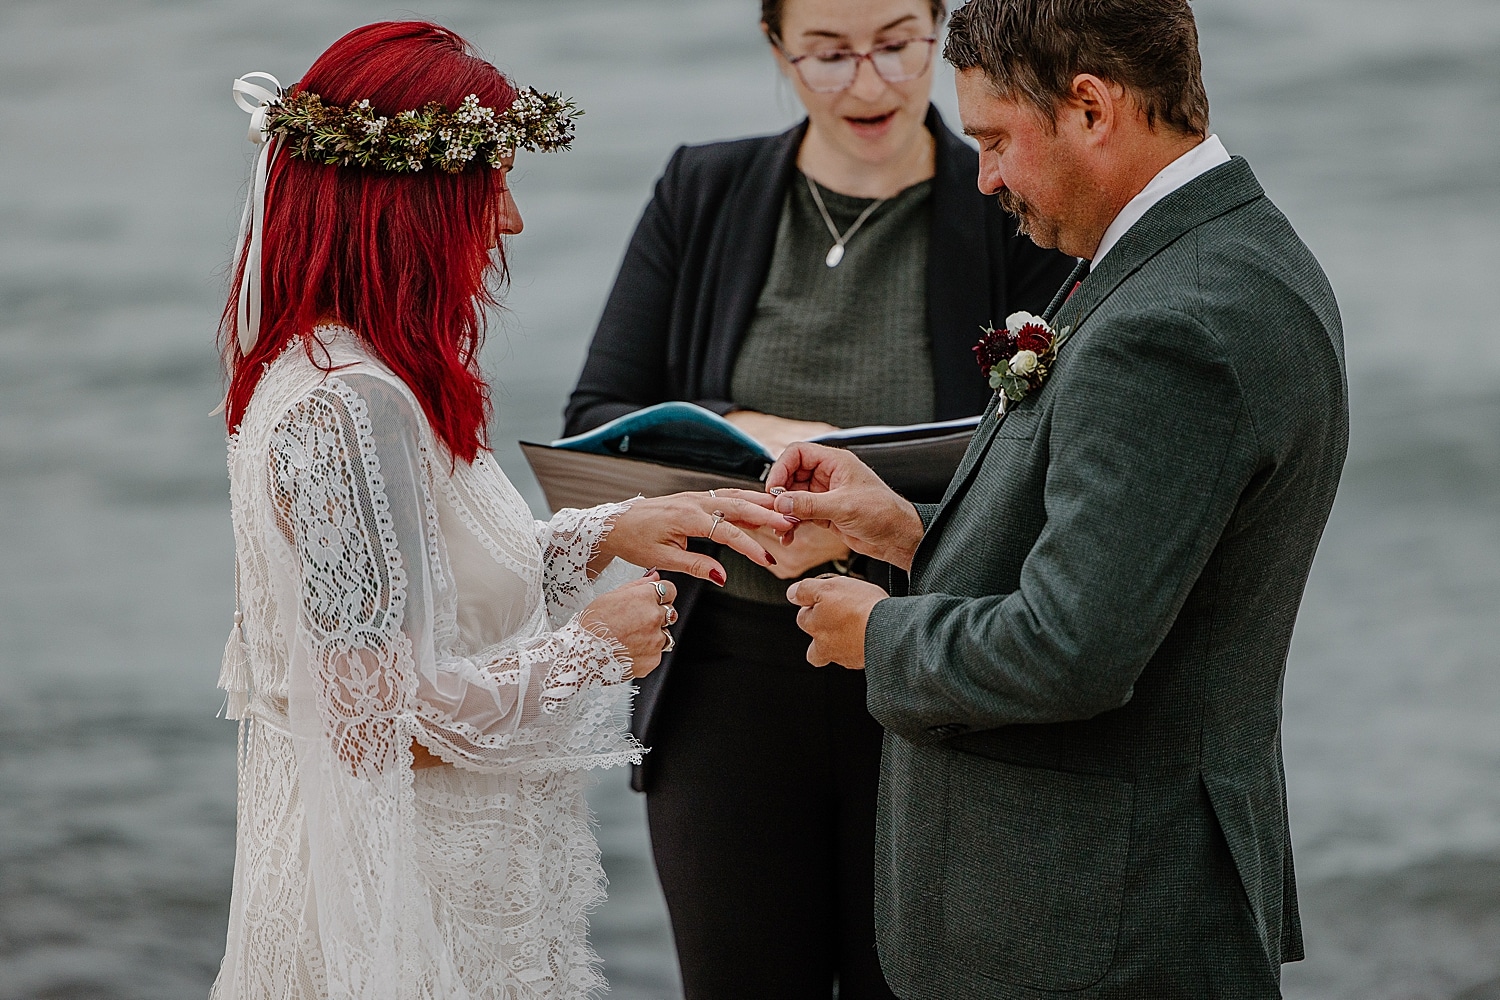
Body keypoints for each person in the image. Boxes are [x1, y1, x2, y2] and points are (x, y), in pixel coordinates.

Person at [756, 0, 1349, 996]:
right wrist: (908, 532)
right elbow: (1126, 566)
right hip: (1119, 904)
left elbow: (1072, 649)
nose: (982, 174)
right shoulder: (1212, 253)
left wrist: (883, 632)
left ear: (1090, 106)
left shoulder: (1174, 323)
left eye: (994, 139)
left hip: (1092, 933)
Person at [209, 22, 789, 1000]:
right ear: (416, 208)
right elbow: (374, 728)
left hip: (430, 883)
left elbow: (425, 592)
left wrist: (602, 532)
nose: (512, 222)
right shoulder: (352, 410)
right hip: (401, 923)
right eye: (494, 188)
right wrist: (593, 649)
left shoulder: (337, 370)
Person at [563, 0, 1075, 995]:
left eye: (896, 44)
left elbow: (1049, 448)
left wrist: (858, 516)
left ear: (939, 28)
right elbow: (602, 415)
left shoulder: (1010, 195)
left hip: (926, 670)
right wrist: (769, 469)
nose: (870, 82)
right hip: (726, 681)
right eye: (829, 55)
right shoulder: (700, 189)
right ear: (776, 50)